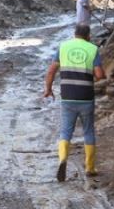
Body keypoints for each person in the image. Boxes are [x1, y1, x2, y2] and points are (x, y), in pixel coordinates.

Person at [43, 22, 105, 182]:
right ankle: (90, 168)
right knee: (88, 131)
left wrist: (48, 89)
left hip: (68, 97)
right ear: (88, 35)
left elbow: (51, 70)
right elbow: (99, 75)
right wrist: (93, 70)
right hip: (86, 97)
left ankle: (63, 158)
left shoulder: (63, 47)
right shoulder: (92, 49)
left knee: (65, 132)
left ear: (74, 34)